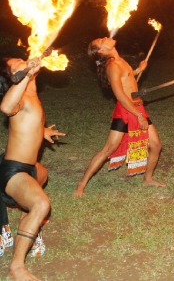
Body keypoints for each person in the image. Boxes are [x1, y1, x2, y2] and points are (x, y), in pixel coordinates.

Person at [74, 37, 165, 197]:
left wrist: (138, 70)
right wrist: (138, 115)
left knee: (156, 145)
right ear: (102, 51)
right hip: (125, 110)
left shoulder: (120, 60)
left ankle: (148, 179)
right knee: (109, 149)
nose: (106, 37)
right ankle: (81, 185)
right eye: (102, 40)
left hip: (138, 107)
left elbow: (127, 78)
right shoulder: (112, 66)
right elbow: (120, 95)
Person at [0, 57, 64, 280]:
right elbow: (6, 107)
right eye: (18, 62)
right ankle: (16, 268)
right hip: (13, 170)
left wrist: (42, 131)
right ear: (13, 76)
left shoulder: (33, 95)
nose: (25, 60)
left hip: (29, 167)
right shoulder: (21, 95)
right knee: (41, 203)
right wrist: (25, 75)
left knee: (43, 174)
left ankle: (27, 223)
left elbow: (28, 122)